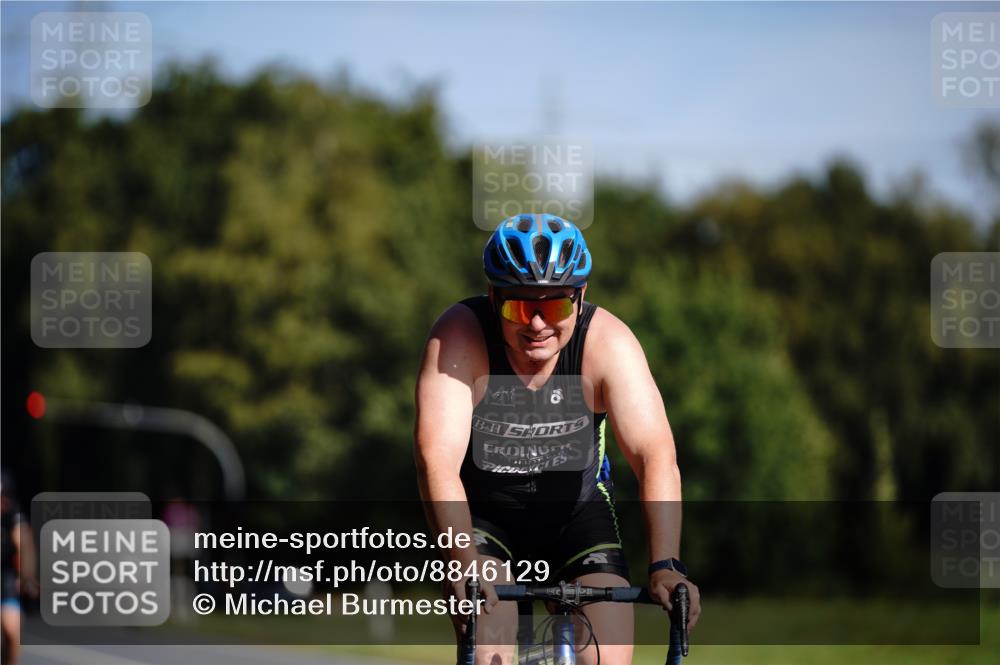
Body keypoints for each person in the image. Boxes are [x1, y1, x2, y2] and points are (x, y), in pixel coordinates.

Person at [415, 214, 701, 665]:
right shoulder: (458, 337)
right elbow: (436, 460)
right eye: (517, 307)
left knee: (607, 657)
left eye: (554, 308)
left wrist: (666, 565)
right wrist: (462, 560)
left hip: (577, 515)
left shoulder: (608, 344)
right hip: (488, 519)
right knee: (491, 642)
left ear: (581, 297)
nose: (536, 325)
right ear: (493, 297)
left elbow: (655, 456)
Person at [1, 469, 38, 665]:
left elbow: (26, 549)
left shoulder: (15, 518)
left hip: (5, 577)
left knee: (11, 630)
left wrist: (26, 576)